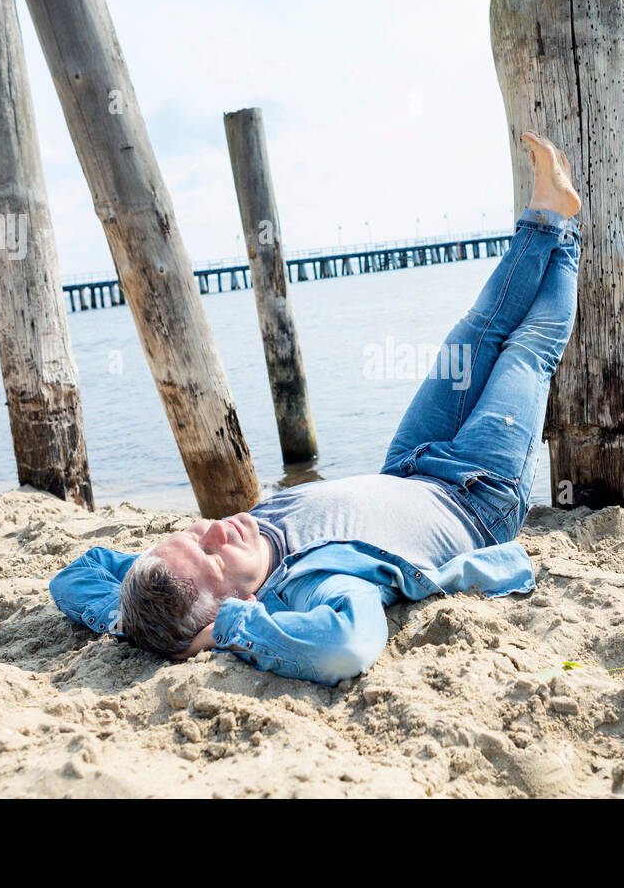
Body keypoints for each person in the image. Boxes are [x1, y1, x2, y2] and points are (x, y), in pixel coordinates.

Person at [49, 130, 583, 685]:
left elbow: (75, 574)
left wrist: (126, 622)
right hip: (477, 496)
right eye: (211, 560)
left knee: (473, 333)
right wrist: (228, 630)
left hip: (407, 464)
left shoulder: (182, 572)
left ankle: (547, 216)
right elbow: (346, 648)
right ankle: (563, 236)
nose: (216, 531)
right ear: (240, 600)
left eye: (191, 533)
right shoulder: (312, 583)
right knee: (527, 351)